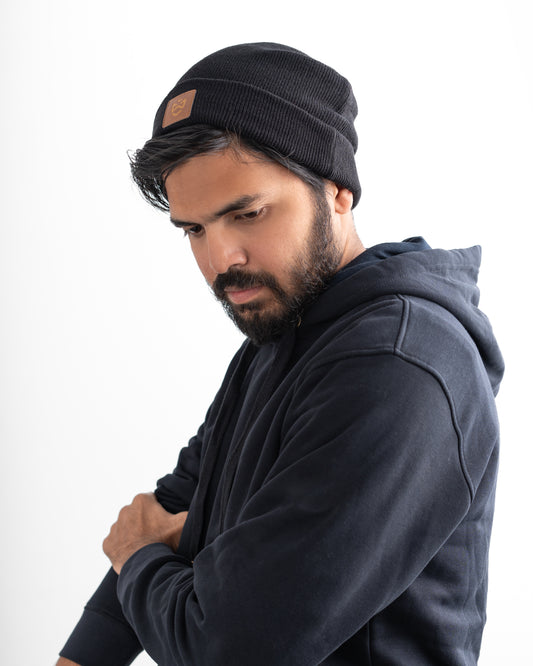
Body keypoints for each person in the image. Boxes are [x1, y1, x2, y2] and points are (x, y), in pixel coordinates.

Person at [57, 42, 504, 666]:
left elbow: (230, 648)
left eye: (247, 213)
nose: (221, 259)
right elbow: (179, 505)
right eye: (194, 230)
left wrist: (136, 557)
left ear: (337, 190)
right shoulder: (285, 334)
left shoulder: (398, 365)